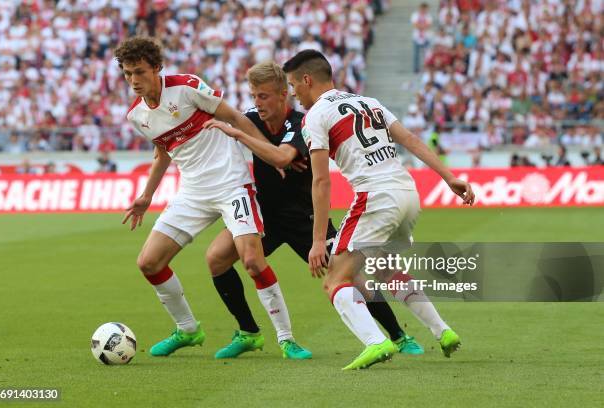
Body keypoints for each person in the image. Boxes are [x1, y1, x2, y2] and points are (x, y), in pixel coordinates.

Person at [203, 61, 423, 359]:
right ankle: (249, 332)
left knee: (352, 278)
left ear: (284, 94)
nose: (257, 103)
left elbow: (281, 158)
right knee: (217, 258)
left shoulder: (303, 123)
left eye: (264, 96)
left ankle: (398, 335)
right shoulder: (250, 119)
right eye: (254, 96)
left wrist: (246, 139)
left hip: (305, 219)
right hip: (264, 214)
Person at [283, 50, 475, 370]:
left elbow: (320, 182)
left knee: (335, 279)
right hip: (407, 194)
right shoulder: (369, 102)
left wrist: (318, 240)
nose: (294, 94)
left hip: (375, 198)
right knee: (386, 270)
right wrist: (449, 176)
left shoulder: (315, 117)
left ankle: (376, 341)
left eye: (293, 85)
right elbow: (410, 139)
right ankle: (443, 332)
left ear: (307, 80)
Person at [116, 37, 305, 358]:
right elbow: (163, 151)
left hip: (232, 183)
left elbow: (237, 118)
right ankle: (188, 329)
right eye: (127, 73)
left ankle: (286, 339)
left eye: (140, 72)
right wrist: (146, 195)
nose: (134, 80)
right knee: (148, 262)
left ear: (157, 68)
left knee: (253, 262)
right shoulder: (137, 115)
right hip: (192, 192)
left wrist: (273, 155)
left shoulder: (187, 87)